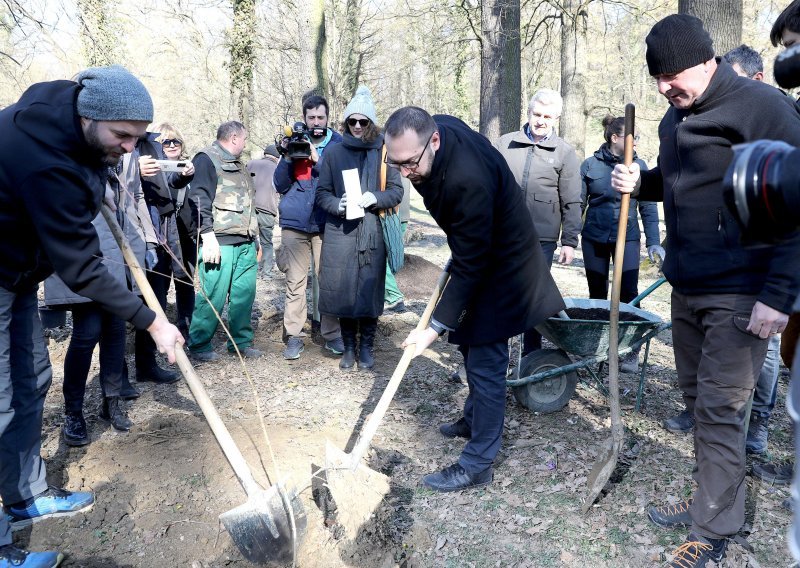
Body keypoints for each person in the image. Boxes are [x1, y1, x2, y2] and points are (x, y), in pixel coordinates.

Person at [610, 15, 800, 567]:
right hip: (687, 285)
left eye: (674, 74)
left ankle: (712, 532)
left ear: (707, 60)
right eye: (658, 78)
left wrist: (780, 292)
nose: (666, 86)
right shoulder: (675, 118)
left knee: (720, 408)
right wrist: (640, 182)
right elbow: (680, 183)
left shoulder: (761, 109)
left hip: (743, 290)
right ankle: (714, 502)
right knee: (698, 403)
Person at [0, 64, 183, 567]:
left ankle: (25, 497)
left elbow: (89, 169)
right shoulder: (44, 161)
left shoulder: (74, 123)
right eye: (122, 136)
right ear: (89, 117)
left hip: (15, 275)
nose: (131, 147)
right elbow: (81, 268)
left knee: (31, 380)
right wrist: (153, 320)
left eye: (138, 137)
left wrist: (97, 172)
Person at [384, 106, 565, 492]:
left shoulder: (467, 181)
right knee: (467, 341)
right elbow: (467, 248)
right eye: (395, 163)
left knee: (485, 360)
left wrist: (431, 328)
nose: (404, 172)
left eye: (410, 163)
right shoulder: (438, 130)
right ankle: (473, 417)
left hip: (505, 266)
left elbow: (472, 265)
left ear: (434, 140)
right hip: (479, 246)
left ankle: (479, 462)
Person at [315, 86, 403, 370]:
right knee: (343, 291)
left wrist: (375, 198)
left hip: (372, 231)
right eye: (351, 121)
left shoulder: (384, 152)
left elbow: (396, 191)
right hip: (341, 232)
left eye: (362, 122)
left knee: (369, 289)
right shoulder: (334, 153)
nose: (356, 126)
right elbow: (322, 193)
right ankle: (349, 348)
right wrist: (336, 205)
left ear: (371, 124)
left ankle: (366, 347)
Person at [494, 88, 581, 355]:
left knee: (532, 295)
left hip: (541, 238)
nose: (541, 121)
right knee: (499, 292)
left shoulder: (564, 153)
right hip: (503, 233)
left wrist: (569, 241)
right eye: (536, 114)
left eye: (547, 116)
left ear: (555, 119)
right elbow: (487, 186)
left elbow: (572, 199)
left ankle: (531, 354)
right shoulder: (504, 144)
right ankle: (495, 352)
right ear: (528, 113)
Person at [580, 115, 663, 374]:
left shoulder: (638, 165)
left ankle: (629, 350)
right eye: (632, 138)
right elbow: (578, 204)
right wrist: (570, 237)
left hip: (626, 238)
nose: (636, 142)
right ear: (615, 139)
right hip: (594, 237)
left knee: (629, 293)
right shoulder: (590, 165)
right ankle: (597, 346)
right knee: (597, 293)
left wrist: (653, 242)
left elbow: (648, 208)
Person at [274, 95, 344, 360]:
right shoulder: (295, 142)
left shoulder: (337, 144)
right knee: (295, 282)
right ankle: (294, 336)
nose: (316, 122)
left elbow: (340, 180)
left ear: (328, 118)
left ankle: (332, 334)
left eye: (321, 117)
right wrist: (288, 156)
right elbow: (280, 184)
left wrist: (318, 160)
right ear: (304, 118)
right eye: (311, 118)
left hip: (326, 222)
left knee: (328, 281)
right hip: (295, 224)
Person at [187, 121, 262, 361]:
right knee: (214, 294)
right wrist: (207, 235)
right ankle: (199, 345)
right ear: (233, 138)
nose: (245, 143)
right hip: (219, 241)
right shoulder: (206, 159)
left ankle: (240, 343)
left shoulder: (239, 165)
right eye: (244, 139)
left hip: (245, 241)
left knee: (244, 294)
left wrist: (255, 238)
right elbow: (198, 198)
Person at [247, 144, 280, 278]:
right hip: (267, 209)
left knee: (250, 238)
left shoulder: (250, 164)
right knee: (267, 242)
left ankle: (251, 270)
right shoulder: (278, 168)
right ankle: (266, 273)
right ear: (277, 157)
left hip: (249, 209)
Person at [383, 177, 412, 313]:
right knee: (389, 257)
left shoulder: (386, 157)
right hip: (400, 212)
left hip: (391, 213)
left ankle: (394, 297)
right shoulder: (404, 157)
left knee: (379, 257)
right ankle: (388, 295)